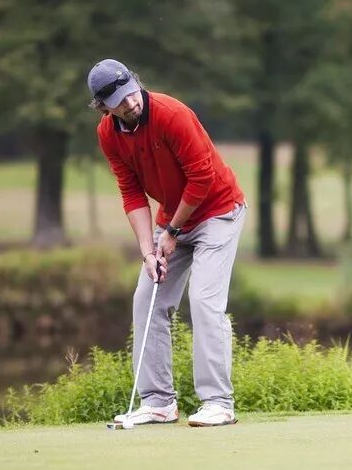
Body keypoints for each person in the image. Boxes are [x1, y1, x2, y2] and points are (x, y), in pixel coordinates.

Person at [88, 58, 246, 427]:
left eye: (131, 93)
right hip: (173, 219)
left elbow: (202, 177)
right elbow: (131, 194)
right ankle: (158, 402)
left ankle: (218, 403)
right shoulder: (108, 135)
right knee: (147, 299)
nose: (131, 103)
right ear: (103, 107)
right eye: (119, 101)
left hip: (218, 211)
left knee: (204, 301)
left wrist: (172, 233)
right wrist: (148, 251)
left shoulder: (172, 114)